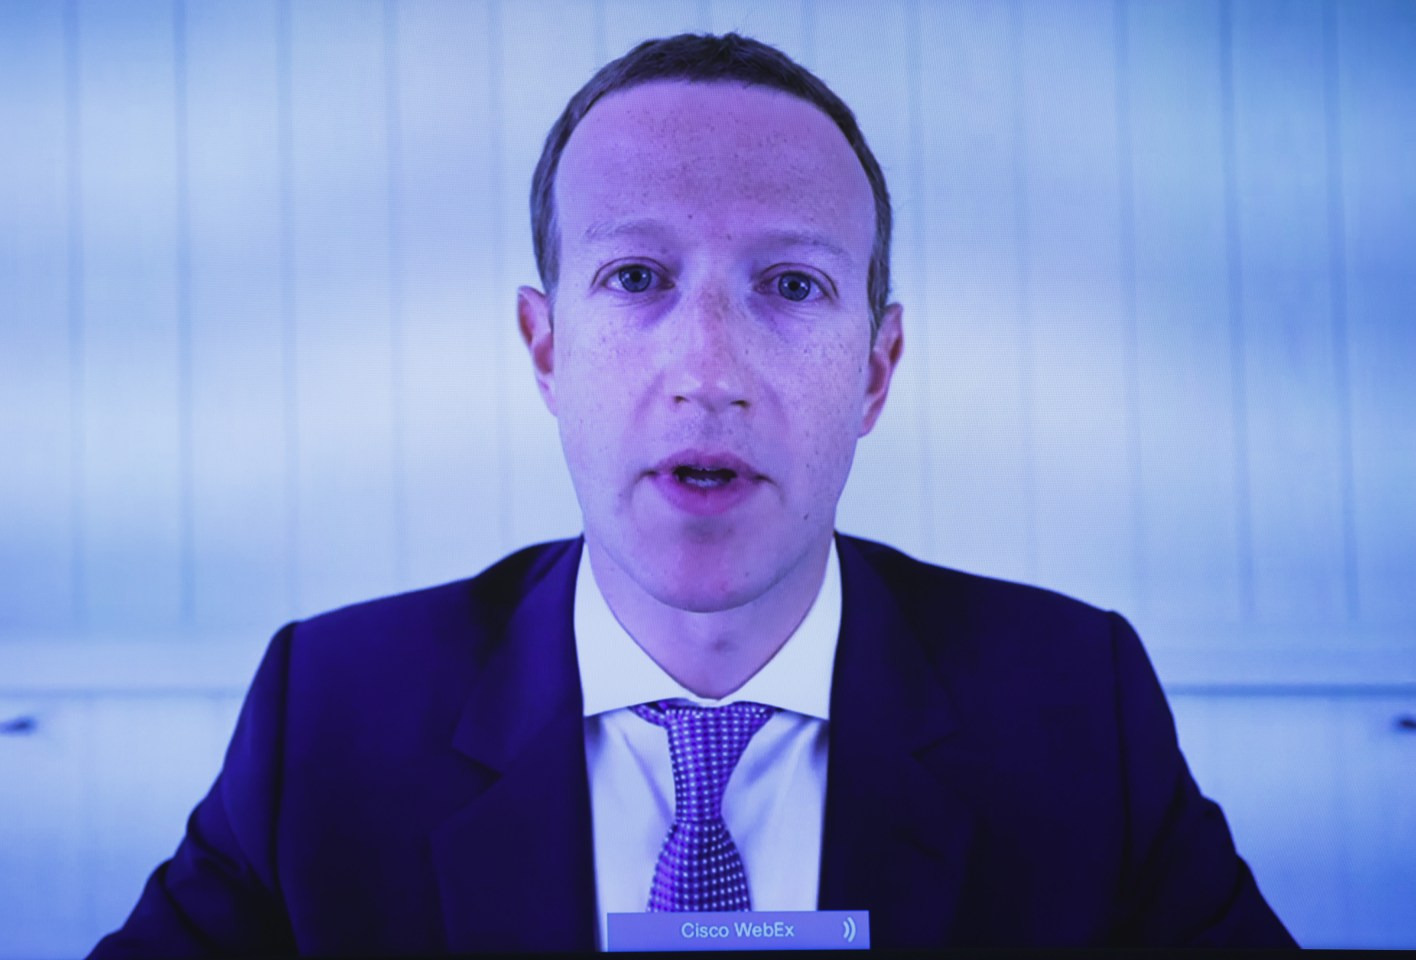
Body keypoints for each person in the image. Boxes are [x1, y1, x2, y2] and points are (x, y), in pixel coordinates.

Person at [91, 32, 1296, 956]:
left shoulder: (1077, 707)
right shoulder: (331, 718)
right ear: (546, 350)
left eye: (791, 285)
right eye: (635, 277)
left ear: (877, 371)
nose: (709, 372)